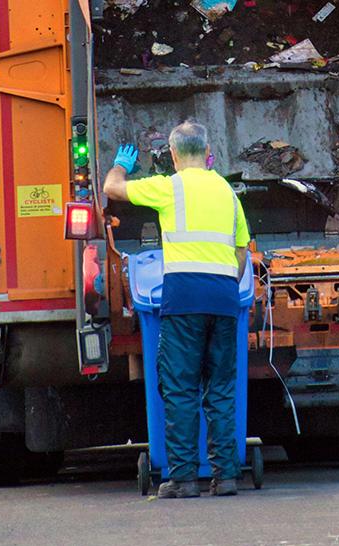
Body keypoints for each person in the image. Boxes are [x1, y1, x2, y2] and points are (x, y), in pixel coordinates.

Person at [104, 121, 250, 498]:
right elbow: (241, 250)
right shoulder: (227, 192)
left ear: (172, 155)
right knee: (220, 388)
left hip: (183, 297)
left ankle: (184, 479)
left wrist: (122, 166)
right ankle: (227, 477)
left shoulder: (169, 187)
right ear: (208, 151)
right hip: (223, 297)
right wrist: (226, 285)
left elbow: (111, 189)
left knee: (181, 387)